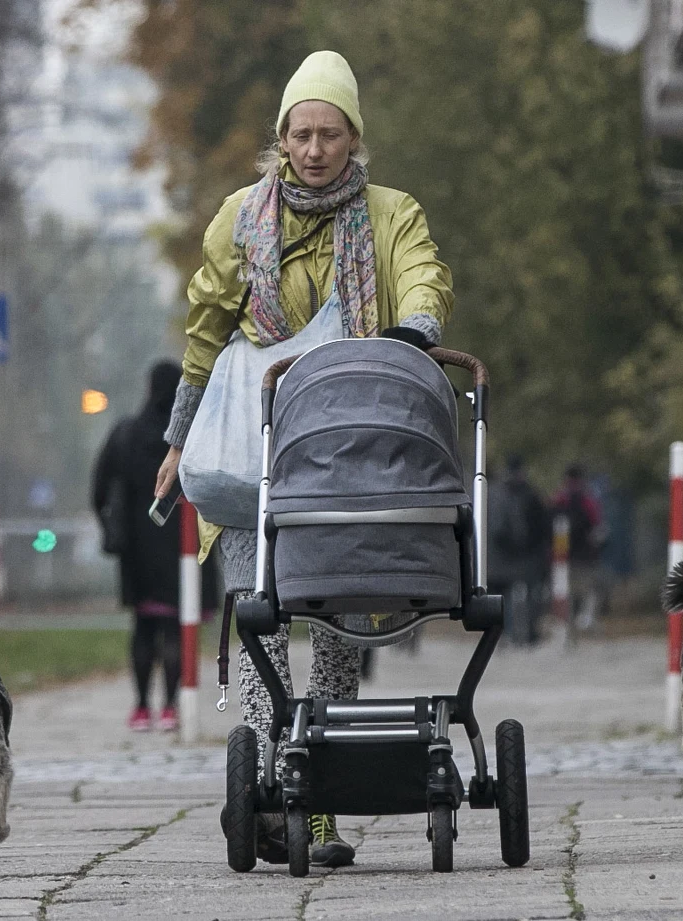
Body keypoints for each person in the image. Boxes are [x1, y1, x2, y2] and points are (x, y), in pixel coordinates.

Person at [154, 50, 453, 869]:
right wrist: (178, 441)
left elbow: (422, 276)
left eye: (330, 133)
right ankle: (265, 789)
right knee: (260, 624)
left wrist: (417, 325)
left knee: (332, 631)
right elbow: (205, 333)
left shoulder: (391, 215)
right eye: (300, 133)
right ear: (281, 139)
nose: (314, 147)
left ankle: (317, 804)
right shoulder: (240, 219)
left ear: (354, 137)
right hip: (254, 456)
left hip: (349, 453)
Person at [93, 360, 185, 733]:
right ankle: (171, 708)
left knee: (144, 628)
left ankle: (142, 708)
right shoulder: (185, 439)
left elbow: (98, 489)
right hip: (181, 551)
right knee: (175, 629)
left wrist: (112, 528)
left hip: (137, 552)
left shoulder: (125, 434)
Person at [486, 454, 552, 646]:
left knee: (505, 596)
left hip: (502, 557)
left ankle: (507, 634)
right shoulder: (526, 493)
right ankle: (519, 634)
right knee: (519, 596)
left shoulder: (494, 493)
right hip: (517, 556)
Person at [551, 463, 607, 632]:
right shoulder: (588, 500)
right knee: (589, 590)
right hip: (585, 555)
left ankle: (566, 625)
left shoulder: (559, 498)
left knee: (564, 592)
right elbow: (598, 526)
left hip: (562, 556)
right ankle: (585, 620)